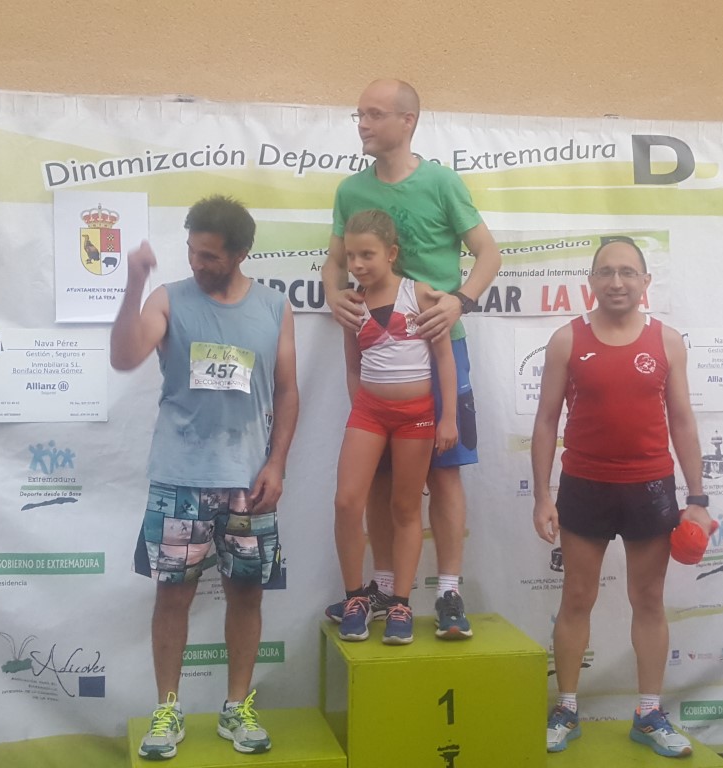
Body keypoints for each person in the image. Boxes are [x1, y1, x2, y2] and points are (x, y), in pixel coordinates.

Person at [111, 195, 299, 760]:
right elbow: (125, 357)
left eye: (210, 256)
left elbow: (287, 390)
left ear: (240, 254)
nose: (197, 263)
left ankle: (236, 707)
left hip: (249, 482)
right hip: (180, 479)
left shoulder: (274, 306)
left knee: (246, 594)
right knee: (173, 597)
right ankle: (167, 710)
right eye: (192, 251)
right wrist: (134, 284)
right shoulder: (168, 298)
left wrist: (277, 464)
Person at [321, 78, 501, 638]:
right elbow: (334, 263)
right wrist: (332, 295)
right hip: (380, 354)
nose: (363, 124)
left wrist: (460, 301)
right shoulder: (351, 191)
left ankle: (447, 592)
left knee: (444, 475)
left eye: (374, 114)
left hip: (440, 347)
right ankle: (381, 590)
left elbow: (488, 254)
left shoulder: (442, 182)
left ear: (408, 122)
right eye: (359, 114)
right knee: (378, 479)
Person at [531, 236, 711, 757]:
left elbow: (682, 420)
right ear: (591, 281)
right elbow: (545, 421)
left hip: (649, 487)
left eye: (628, 272)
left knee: (648, 600)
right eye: (606, 272)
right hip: (584, 485)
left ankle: (649, 714)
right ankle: (566, 708)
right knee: (577, 598)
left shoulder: (667, 341)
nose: (616, 282)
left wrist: (697, 497)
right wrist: (542, 495)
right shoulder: (566, 340)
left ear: (645, 282)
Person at [331, 209, 458, 645]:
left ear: (391, 253)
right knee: (347, 502)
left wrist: (448, 418)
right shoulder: (351, 304)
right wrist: (360, 417)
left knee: (405, 509)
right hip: (369, 413)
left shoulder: (418, 294)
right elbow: (353, 366)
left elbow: (444, 359)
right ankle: (355, 598)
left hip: (417, 416)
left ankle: (400, 603)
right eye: (351, 256)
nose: (357, 264)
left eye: (367, 255)